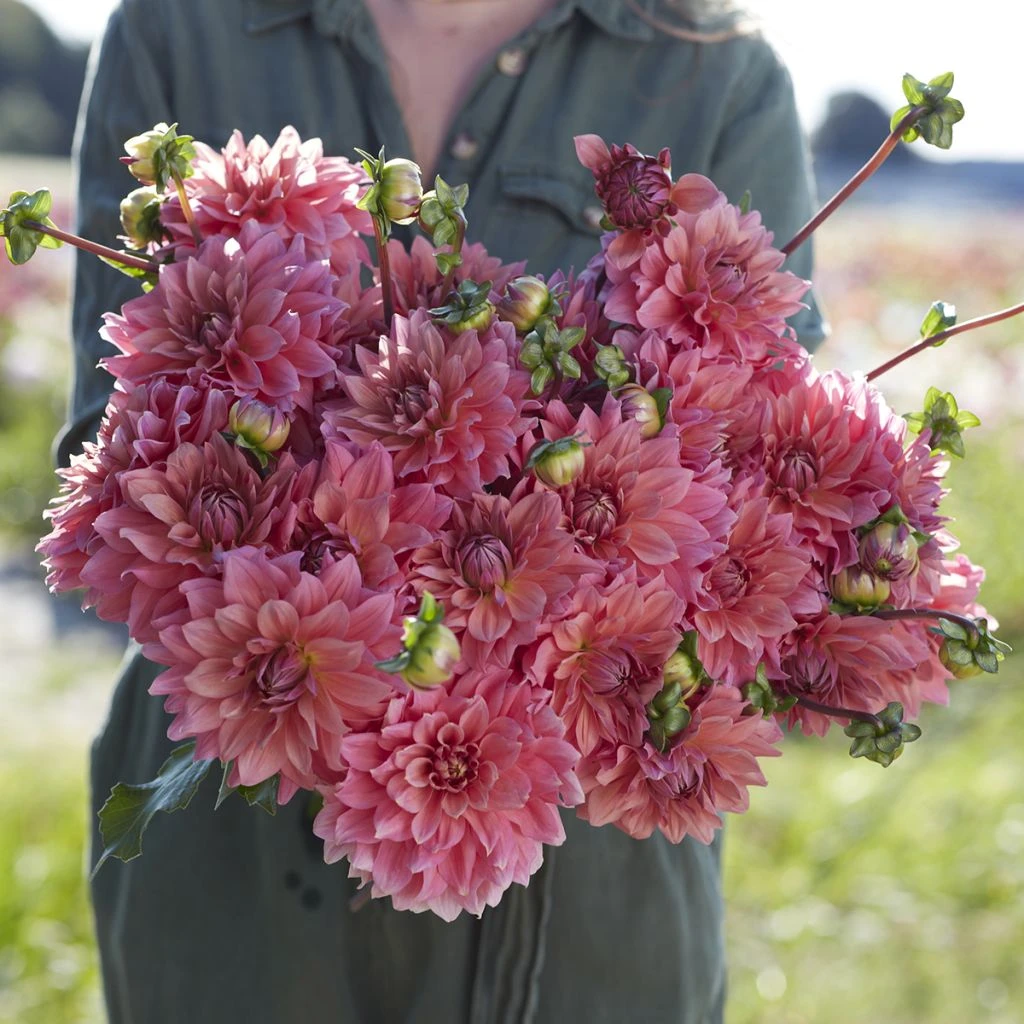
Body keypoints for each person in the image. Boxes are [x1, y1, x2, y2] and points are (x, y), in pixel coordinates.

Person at [64, 1, 826, 1021]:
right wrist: (326, 591)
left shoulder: (716, 69)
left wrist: (515, 603)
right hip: (232, 853)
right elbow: (106, 455)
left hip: (582, 904)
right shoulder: (180, 28)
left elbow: (764, 484)